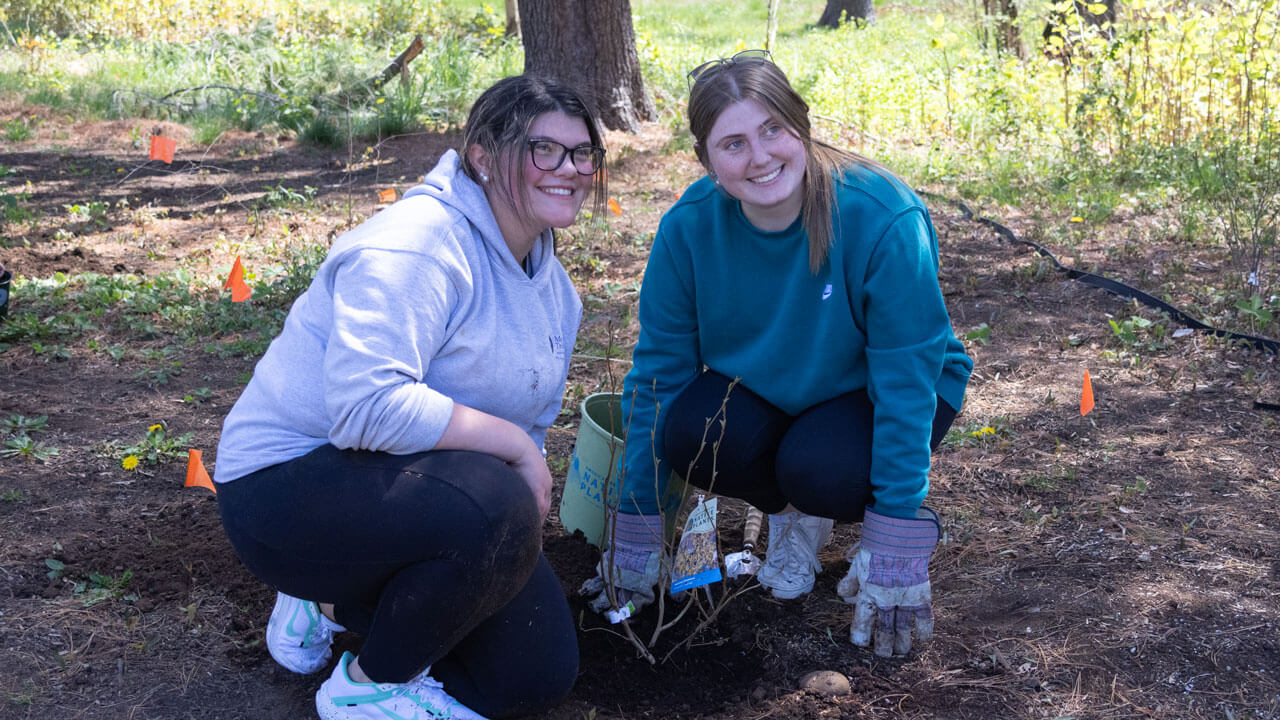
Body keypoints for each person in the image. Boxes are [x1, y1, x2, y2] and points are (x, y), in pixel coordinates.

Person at [213, 74, 607, 720]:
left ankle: (335, 604)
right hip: (282, 486)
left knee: (536, 671)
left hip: (404, 493)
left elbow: (527, 426)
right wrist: (514, 456)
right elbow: (364, 407)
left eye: (581, 152)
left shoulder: (557, 294)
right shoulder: (420, 242)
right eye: (543, 149)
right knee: (497, 508)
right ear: (482, 155)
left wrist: (505, 538)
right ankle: (368, 686)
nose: (567, 168)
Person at [581, 51, 972, 658]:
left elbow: (905, 380)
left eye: (772, 130)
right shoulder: (688, 230)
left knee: (824, 470)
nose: (760, 157)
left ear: (802, 126)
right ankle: (793, 514)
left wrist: (895, 529)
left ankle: (847, 512)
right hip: (767, 387)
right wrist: (639, 523)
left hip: (872, 390)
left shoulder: (879, 216)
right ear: (707, 162)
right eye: (733, 142)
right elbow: (658, 377)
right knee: (689, 431)